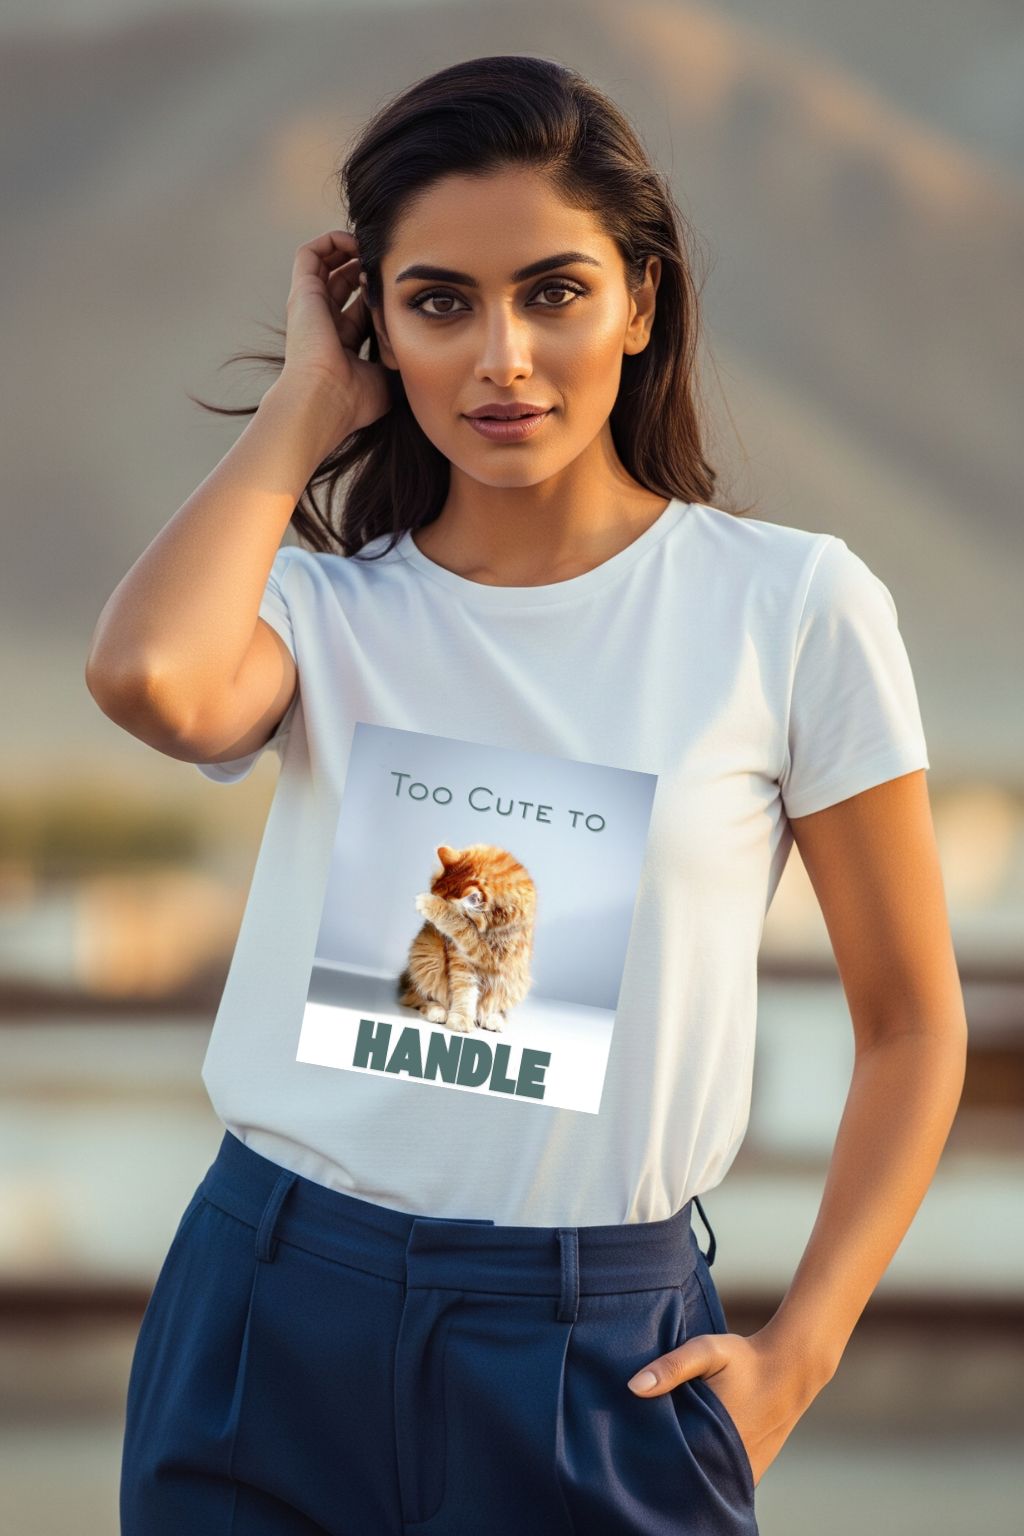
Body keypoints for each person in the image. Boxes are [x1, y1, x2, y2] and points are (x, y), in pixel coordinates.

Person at [87, 54, 966, 1536]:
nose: (502, 357)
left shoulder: (790, 607)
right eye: (441, 303)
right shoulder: (320, 612)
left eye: (553, 292)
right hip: (273, 1307)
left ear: (641, 297)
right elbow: (152, 681)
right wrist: (309, 399)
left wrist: (797, 1355)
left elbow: (910, 1019)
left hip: (592, 1350)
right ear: (380, 325)